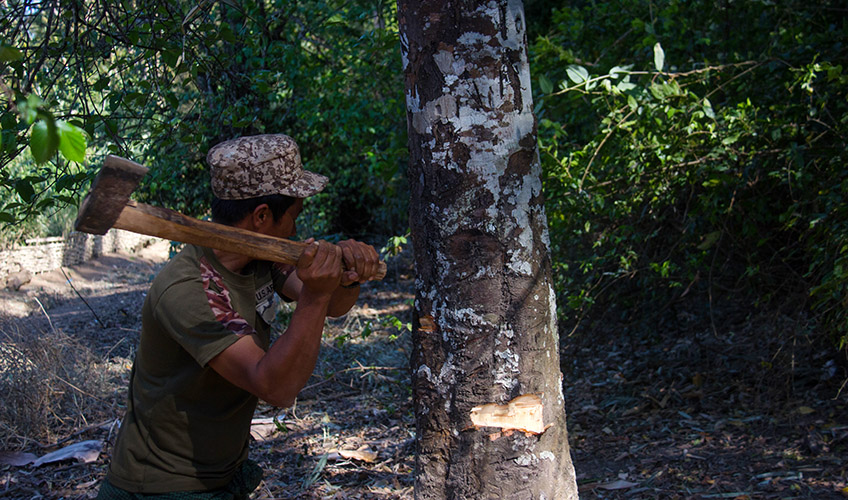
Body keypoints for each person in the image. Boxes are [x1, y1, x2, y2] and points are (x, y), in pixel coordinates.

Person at [97, 134, 380, 499]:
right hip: (161, 488)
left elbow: (335, 305)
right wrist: (316, 296)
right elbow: (276, 387)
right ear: (262, 216)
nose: (295, 229)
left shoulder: (262, 255)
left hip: (219, 475)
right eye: (295, 215)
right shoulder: (189, 290)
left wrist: (347, 275)